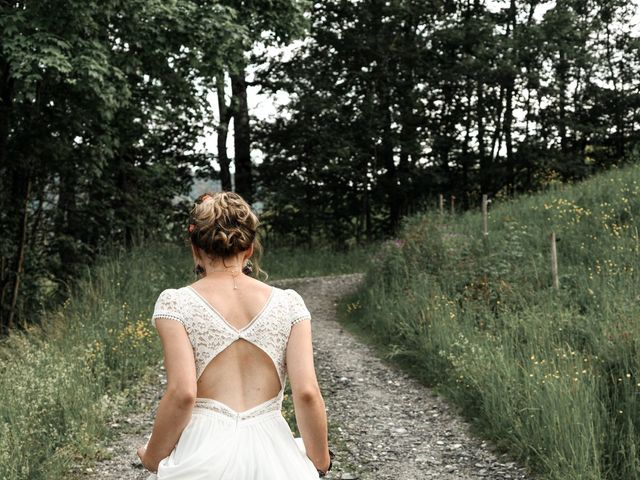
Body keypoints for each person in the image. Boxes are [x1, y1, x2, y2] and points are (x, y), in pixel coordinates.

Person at [136, 192, 332, 479]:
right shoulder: (289, 303)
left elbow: (182, 394)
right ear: (250, 248)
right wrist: (320, 460)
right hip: (273, 454)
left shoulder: (176, 303)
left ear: (195, 247)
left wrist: (153, 457)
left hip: (204, 453)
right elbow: (306, 393)